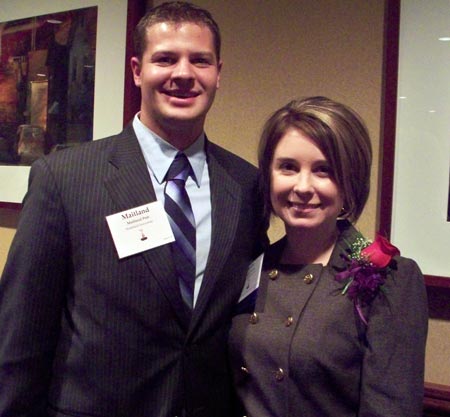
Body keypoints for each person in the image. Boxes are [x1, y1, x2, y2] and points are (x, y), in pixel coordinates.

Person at [0, 2, 266, 416]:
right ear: (137, 70)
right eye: (165, 59)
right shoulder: (64, 178)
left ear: (218, 74)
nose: (183, 74)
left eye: (200, 60)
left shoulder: (247, 186)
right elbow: (20, 338)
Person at [228, 96, 428, 417]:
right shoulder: (252, 265)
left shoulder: (390, 278)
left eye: (324, 171)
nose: (303, 186)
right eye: (288, 167)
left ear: (350, 183)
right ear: (268, 176)